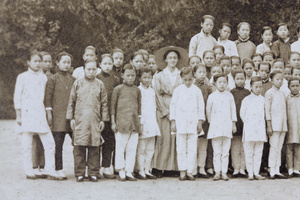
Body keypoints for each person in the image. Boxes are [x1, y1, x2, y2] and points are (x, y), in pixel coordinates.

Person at [14, 51, 60, 180]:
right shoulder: (22, 77)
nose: (38, 63)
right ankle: (29, 170)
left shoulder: (43, 77)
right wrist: (19, 115)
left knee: (50, 143)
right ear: (28, 62)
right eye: (35, 61)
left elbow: (45, 97)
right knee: (26, 144)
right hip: (27, 113)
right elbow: (18, 96)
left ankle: (50, 169)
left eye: (40, 61)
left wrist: (47, 113)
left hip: (39, 113)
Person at [66, 59, 109, 182]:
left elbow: (104, 103)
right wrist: (71, 118)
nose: (91, 72)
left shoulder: (100, 84)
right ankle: (79, 173)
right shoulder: (78, 83)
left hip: (95, 120)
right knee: (79, 146)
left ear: (97, 70)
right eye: (88, 69)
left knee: (95, 147)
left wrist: (103, 120)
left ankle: (93, 172)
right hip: (80, 120)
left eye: (93, 69)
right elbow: (71, 101)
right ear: (84, 69)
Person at [152, 46, 188, 178]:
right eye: (170, 57)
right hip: (163, 107)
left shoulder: (182, 75)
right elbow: (156, 94)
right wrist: (165, 111)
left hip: (178, 107)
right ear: (166, 59)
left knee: (175, 138)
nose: (172, 60)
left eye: (174, 58)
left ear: (178, 60)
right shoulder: (159, 75)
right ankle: (159, 166)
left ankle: (173, 167)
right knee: (163, 137)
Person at [170, 67, 205, 181]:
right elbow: (173, 106)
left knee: (192, 148)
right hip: (180, 123)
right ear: (181, 79)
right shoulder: (178, 90)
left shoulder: (196, 90)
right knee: (180, 148)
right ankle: (182, 170)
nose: (188, 82)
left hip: (193, 123)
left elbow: (201, 107)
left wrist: (200, 122)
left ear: (193, 78)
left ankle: (190, 171)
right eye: (185, 80)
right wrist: (173, 121)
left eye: (190, 79)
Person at [45, 52, 75, 180]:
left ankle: (80, 169)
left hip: (72, 118)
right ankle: (58, 169)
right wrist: (49, 113)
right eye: (64, 62)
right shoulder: (53, 79)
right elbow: (48, 98)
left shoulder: (74, 80)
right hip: (58, 117)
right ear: (57, 63)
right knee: (58, 145)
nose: (66, 65)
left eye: (69, 62)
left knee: (78, 144)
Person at [111, 64, 141, 181]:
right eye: (128, 75)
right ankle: (121, 170)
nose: (130, 78)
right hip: (121, 123)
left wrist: (139, 123)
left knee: (132, 148)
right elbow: (113, 107)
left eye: (133, 75)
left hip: (134, 124)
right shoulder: (117, 89)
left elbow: (139, 109)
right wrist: (113, 122)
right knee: (120, 147)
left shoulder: (137, 90)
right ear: (122, 75)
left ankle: (129, 170)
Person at [207, 73, 237, 181]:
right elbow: (208, 111)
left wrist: (233, 124)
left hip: (227, 126)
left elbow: (233, 111)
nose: (222, 84)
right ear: (215, 83)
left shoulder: (230, 96)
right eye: (220, 82)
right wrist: (212, 123)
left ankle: (224, 172)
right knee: (217, 151)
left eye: (224, 82)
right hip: (216, 127)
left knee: (225, 151)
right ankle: (217, 172)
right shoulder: (212, 96)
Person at [96, 54, 120, 179]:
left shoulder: (115, 80)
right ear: (100, 64)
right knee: (97, 141)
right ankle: (96, 168)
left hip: (110, 113)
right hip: (98, 114)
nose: (107, 66)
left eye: (109, 63)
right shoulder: (96, 78)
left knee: (109, 141)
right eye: (104, 63)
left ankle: (106, 166)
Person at [135, 67, 160, 180]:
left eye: (149, 77)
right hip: (143, 122)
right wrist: (140, 122)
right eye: (144, 77)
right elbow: (139, 108)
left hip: (152, 122)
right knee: (142, 148)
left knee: (150, 148)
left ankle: (147, 169)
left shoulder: (152, 91)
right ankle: (140, 170)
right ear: (139, 78)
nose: (147, 80)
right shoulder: (138, 90)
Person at [240, 76, 267, 180]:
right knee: (249, 152)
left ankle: (256, 172)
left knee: (258, 152)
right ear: (251, 86)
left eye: (260, 87)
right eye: (256, 86)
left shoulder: (263, 99)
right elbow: (242, 114)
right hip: (250, 129)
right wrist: (248, 124)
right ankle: (250, 173)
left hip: (260, 129)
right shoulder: (246, 100)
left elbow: (264, 114)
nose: (258, 89)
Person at [265, 70, 288, 179]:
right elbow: (267, 110)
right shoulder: (269, 93)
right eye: (277, 79)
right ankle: (271, 170)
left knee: (279, 147)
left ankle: (277, 169)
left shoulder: (282, 93)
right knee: (273, 147)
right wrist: (269, 125)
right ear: (271, 80)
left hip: (282, 125)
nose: (280, 81)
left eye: (281, 79)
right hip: (274, 125)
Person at [230, 69, 250, 178]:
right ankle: (236, 168)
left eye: (242, 78)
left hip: (245, 123)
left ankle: (243, 168)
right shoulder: (231, 93)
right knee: (235, 147)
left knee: (244, 147)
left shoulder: (248, 93)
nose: (240, 81)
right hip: (235, 123)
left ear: (245, 79)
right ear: (234, 80)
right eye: (237, 79)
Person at [193, 64, 212, 178]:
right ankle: (194, 167)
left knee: (203, 145)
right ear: (194, 74)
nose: (202, 74)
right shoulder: (192, 86)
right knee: (194, 145)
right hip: (193, 118)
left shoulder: (208, 87)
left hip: (204, 118)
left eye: (204, 72)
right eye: (199, 72)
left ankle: (202, 167)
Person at [286, 77, 300, 177]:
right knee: (289, 148)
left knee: (298, 148)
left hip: (299, 126)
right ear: (288, 87)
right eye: (292, 86)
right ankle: (290, 168)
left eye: (297, 86)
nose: (295, 88)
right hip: (290, 125)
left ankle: (297, 168)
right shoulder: (287, 98)